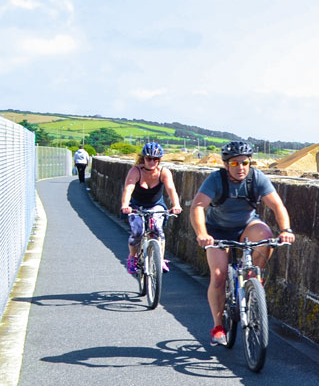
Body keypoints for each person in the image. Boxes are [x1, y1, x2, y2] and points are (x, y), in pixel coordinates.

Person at [191, 140, 294, 346]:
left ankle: (252, 279)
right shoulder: (216, 180)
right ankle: (219, 326)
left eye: (245, 163)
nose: (241, 168)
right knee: (219, 276)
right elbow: (198, 206)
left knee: (265, 235)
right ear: (226, 164)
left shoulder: (257, 178)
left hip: (247, 225)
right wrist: (202, 233)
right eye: (235, 163)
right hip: (218, 230)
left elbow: (277, 205)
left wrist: (285, 230)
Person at [120, 142, 182, 274]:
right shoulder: (135, 171)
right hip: (137, 205)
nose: (152, 162)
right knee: (137, 232)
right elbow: (128, 188)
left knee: (158, 230)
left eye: (156, 159)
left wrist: (176, 205)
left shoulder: (164, 172)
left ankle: (160, 259)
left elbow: (171, 189)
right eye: (149, 158)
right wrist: (125, 205)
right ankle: (132, 257)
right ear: (143, 158)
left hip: (156, 205)